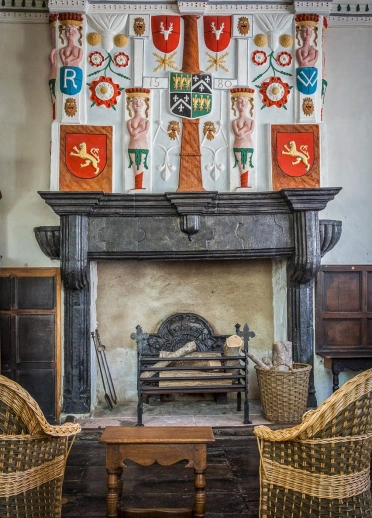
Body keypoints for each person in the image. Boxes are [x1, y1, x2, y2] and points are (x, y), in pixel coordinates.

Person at [125, 88, 151, 191]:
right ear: (131, 104)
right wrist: (140, 128)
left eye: (140, 101)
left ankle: (139, 186)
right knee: (135, 166)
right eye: (135, 100)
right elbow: (133, 134)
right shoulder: (129, 122)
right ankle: (137, 186)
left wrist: (139, 130)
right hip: (133, 146)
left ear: (144, 104)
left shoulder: (146, 121)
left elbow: (145, 133)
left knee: (141, 165)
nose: (137, 103)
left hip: (143, 146)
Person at [230, 88, 255, 189]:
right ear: (236, 104)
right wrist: (244, 128)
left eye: (245, 101)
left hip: (248, 145)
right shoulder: (235, 122)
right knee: (241, 166)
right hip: (238, 145)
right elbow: (238, 133)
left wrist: (243, 131)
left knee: (246, 165)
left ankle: (245, 184)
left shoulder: (251, 121)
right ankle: (243, 185)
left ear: (249, 104)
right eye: (240, 101)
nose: (243, 103)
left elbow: (250, 131)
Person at [295, 14, 320, 95]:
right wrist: (309, 57)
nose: (307, 32)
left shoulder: (316, 51)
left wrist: (305, 61)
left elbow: (305, 63)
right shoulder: (299, 50)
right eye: (304, 30)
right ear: (300, 32)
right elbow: (302, 63)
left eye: (309, 30)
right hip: (303, 76)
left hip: (311, 76)